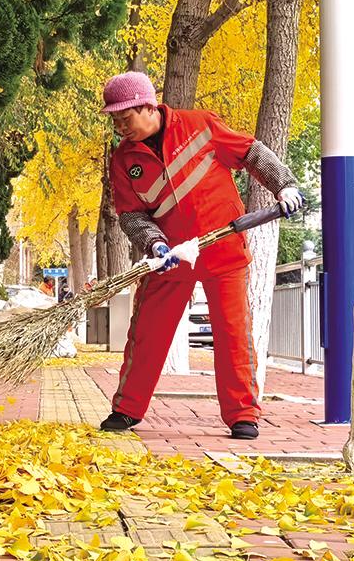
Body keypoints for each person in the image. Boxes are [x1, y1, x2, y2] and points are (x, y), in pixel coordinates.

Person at [97, 71, 303, 440]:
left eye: (124, 118)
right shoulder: (123, 159)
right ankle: (127, 409)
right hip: (170, 258)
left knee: (232, 333)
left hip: (223, 251)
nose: (119, 126)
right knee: (147, 334)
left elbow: (252, 153)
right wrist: (155, 244)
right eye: (114, 119)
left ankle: (243, 415)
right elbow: (131, 214)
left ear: (147, 105)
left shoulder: (200, 125)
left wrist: (284, 185)